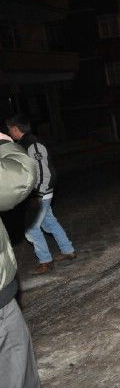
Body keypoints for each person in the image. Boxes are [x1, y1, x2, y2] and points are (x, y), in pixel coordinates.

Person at [6, 114, 76, 275]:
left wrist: (39, 193)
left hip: (39, 194)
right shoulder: (26, 143)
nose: (10, 133)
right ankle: (67, 250)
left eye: (10, 129)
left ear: (16, 128)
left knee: (31, 229)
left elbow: (44, 172)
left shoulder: (33, 144)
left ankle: (45, 261)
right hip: (40, 193)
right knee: (49, 222)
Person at [0, 131, 41, 387]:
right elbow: (17, 178)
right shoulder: (20, 146)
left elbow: (45, 166)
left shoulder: (36, 143)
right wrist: (5, 145)